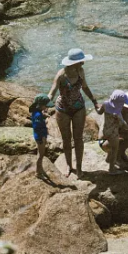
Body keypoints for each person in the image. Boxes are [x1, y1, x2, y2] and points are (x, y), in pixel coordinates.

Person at [49, 48, 98, 177]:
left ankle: (79, 168)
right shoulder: (61, 75)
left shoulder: (81, 71)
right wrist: (43, 103)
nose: (83, 63)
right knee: (66, 139)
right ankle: (69, 166)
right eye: (81, 61)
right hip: (62, 109)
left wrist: (94, 101)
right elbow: (52, 91)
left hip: (79, 108)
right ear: (73, 62)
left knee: (78, 139)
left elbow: (85, 88)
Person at [97, 90, 128, 172]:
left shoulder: (105, 104)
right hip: (113, 134)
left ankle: (108, 159)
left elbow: (99, 112)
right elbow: (123, 124)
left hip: (105, 131)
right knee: (114, 150)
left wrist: (97, 106)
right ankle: (111, 169)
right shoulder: (117, 113)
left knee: (112, 148)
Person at [29, 95, 52, 179]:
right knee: (41, 155)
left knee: (40, 153)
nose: (47, 107)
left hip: (40, 136)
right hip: (40, 137)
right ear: (40, 105)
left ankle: (40, 169)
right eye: (45, 105)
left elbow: (39, 117)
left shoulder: (37, 111)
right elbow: (37, 127)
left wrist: (44, 116)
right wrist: (41, 138)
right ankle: (38, 172)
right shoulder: (37, 115)